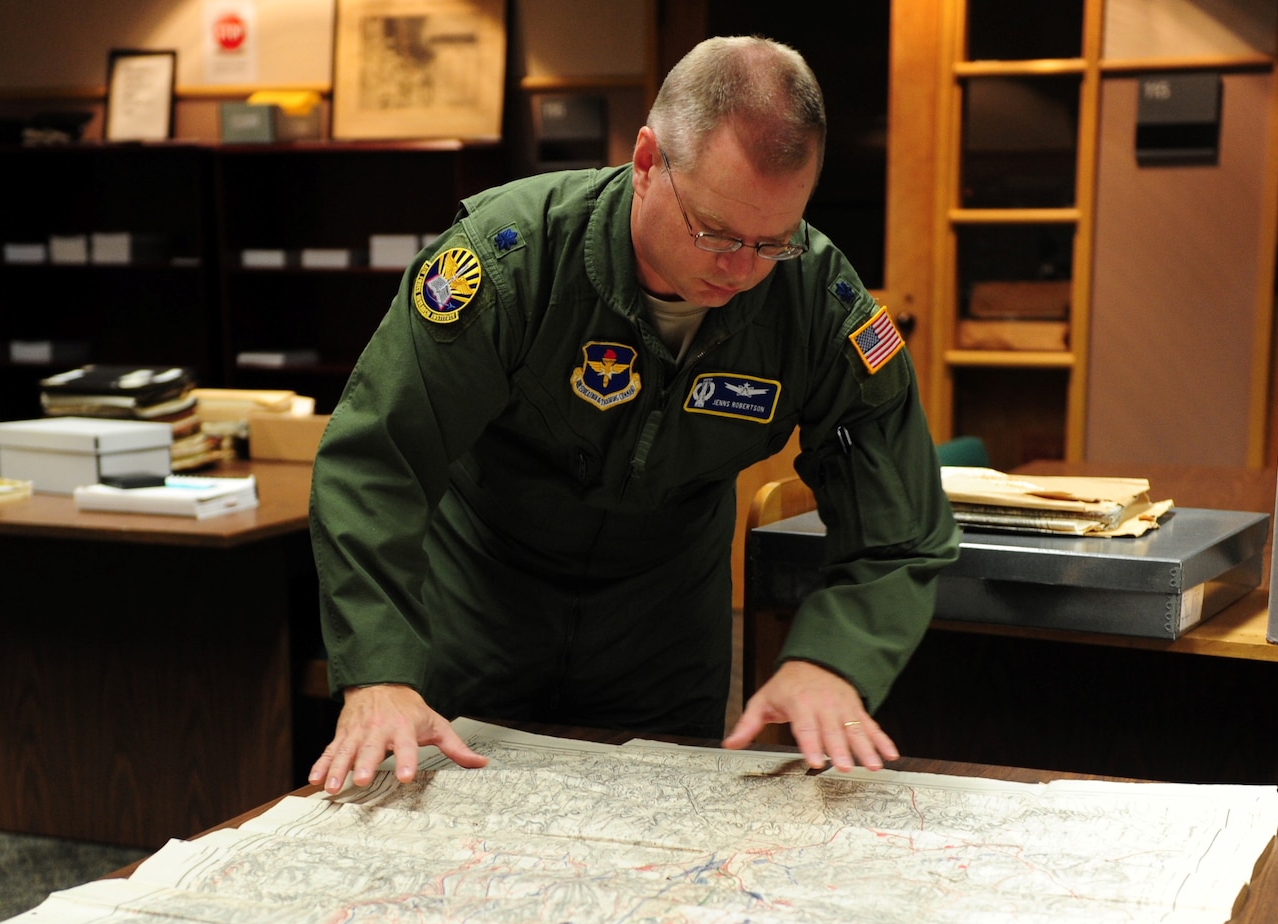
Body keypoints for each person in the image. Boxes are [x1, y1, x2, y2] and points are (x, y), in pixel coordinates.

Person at [307, 35, 957, 791]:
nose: (742, 270)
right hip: (483, 621)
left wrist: (832, 658)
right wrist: (378, 671)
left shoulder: (815, 298)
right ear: (647, 161)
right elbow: (375, 459)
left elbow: (901, 527)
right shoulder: (513, 259)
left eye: (773, 241)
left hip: (664, 643)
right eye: (715, 231)